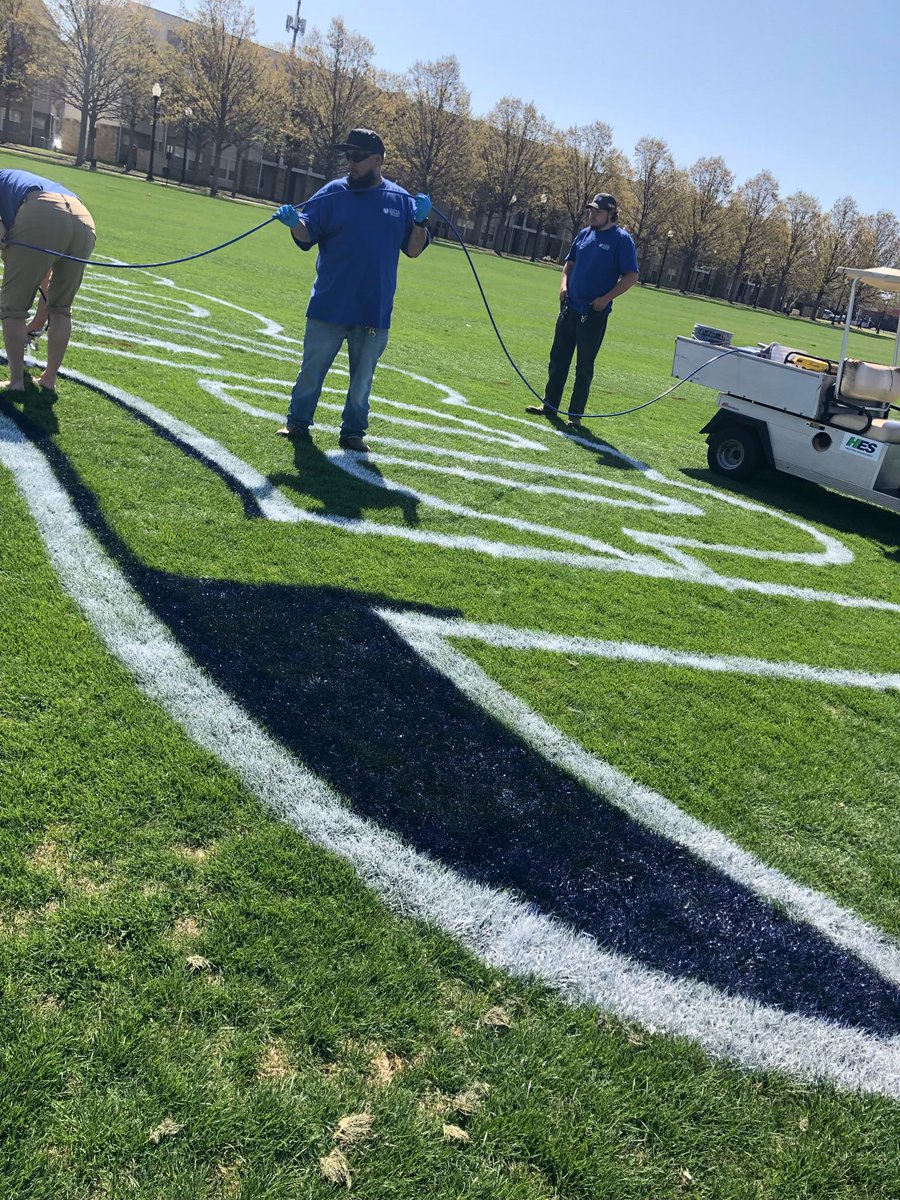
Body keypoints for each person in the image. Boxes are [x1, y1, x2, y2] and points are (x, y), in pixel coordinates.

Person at [274, 128, 432, 453]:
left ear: (378, 160)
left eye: (357, 156)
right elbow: (307, 233)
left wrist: (420, 221)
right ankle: (297, 422)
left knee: (362, 380)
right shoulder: (332, 193)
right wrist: (294, 224)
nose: (351, 163)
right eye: (348, 156)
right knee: (311, 370)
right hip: (329, 304)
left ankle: (353, 433)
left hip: (374, 308)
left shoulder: (400, 200)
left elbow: (414, 250)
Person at [526, 193, 638, 428]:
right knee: (558, 359)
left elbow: (631, 276)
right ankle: (550, 405)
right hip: (569, 307)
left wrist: (605, 300)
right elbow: (569, 264)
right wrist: (563, 286)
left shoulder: (621, 240)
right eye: (591, 210)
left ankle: (575, 416)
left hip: (593, 313)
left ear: (611, 213)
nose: (592, 215)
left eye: (598, 211)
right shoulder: (584, 234)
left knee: (584, 367)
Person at [0, 167, 96, 393]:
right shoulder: (10, 182)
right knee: (62, 308)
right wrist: (37, 322)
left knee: (12, 308)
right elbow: (45, 279)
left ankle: (16, 382)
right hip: (83, 218)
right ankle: (49, 379)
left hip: (42, 212)